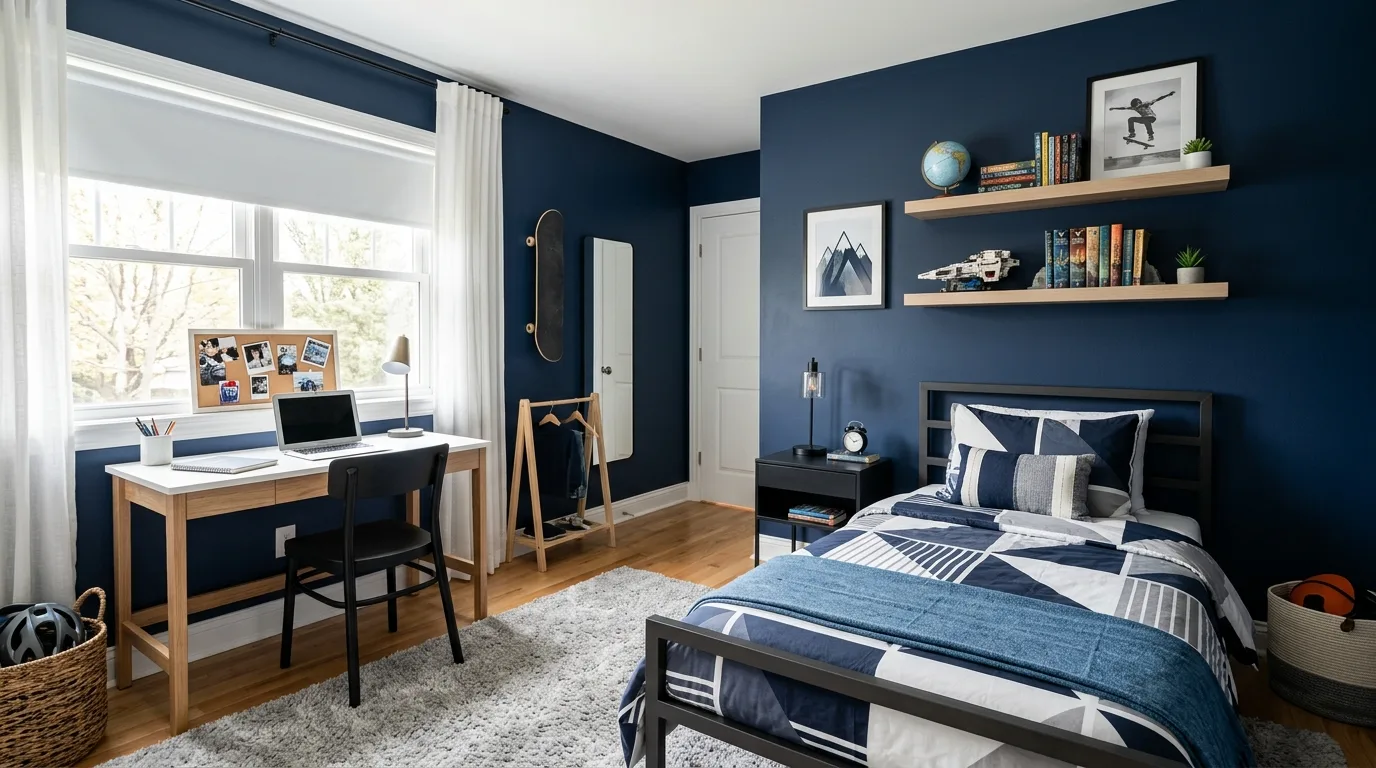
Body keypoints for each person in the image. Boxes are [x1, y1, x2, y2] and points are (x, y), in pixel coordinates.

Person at [1109, 90, 1174, 141]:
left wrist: (1168, 95)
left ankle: (1150, 135)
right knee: (1130, 119)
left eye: (1137, 105)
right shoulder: (1134, 107)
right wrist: (1114, 108)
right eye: (1135, 106)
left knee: (1146, 120)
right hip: (1143, 119)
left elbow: (1157, 99)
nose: (1137, 107)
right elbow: (1124, 108)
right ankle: (1132, 133)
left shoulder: (1146, 104)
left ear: (1139, 103)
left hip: (1152, 117)